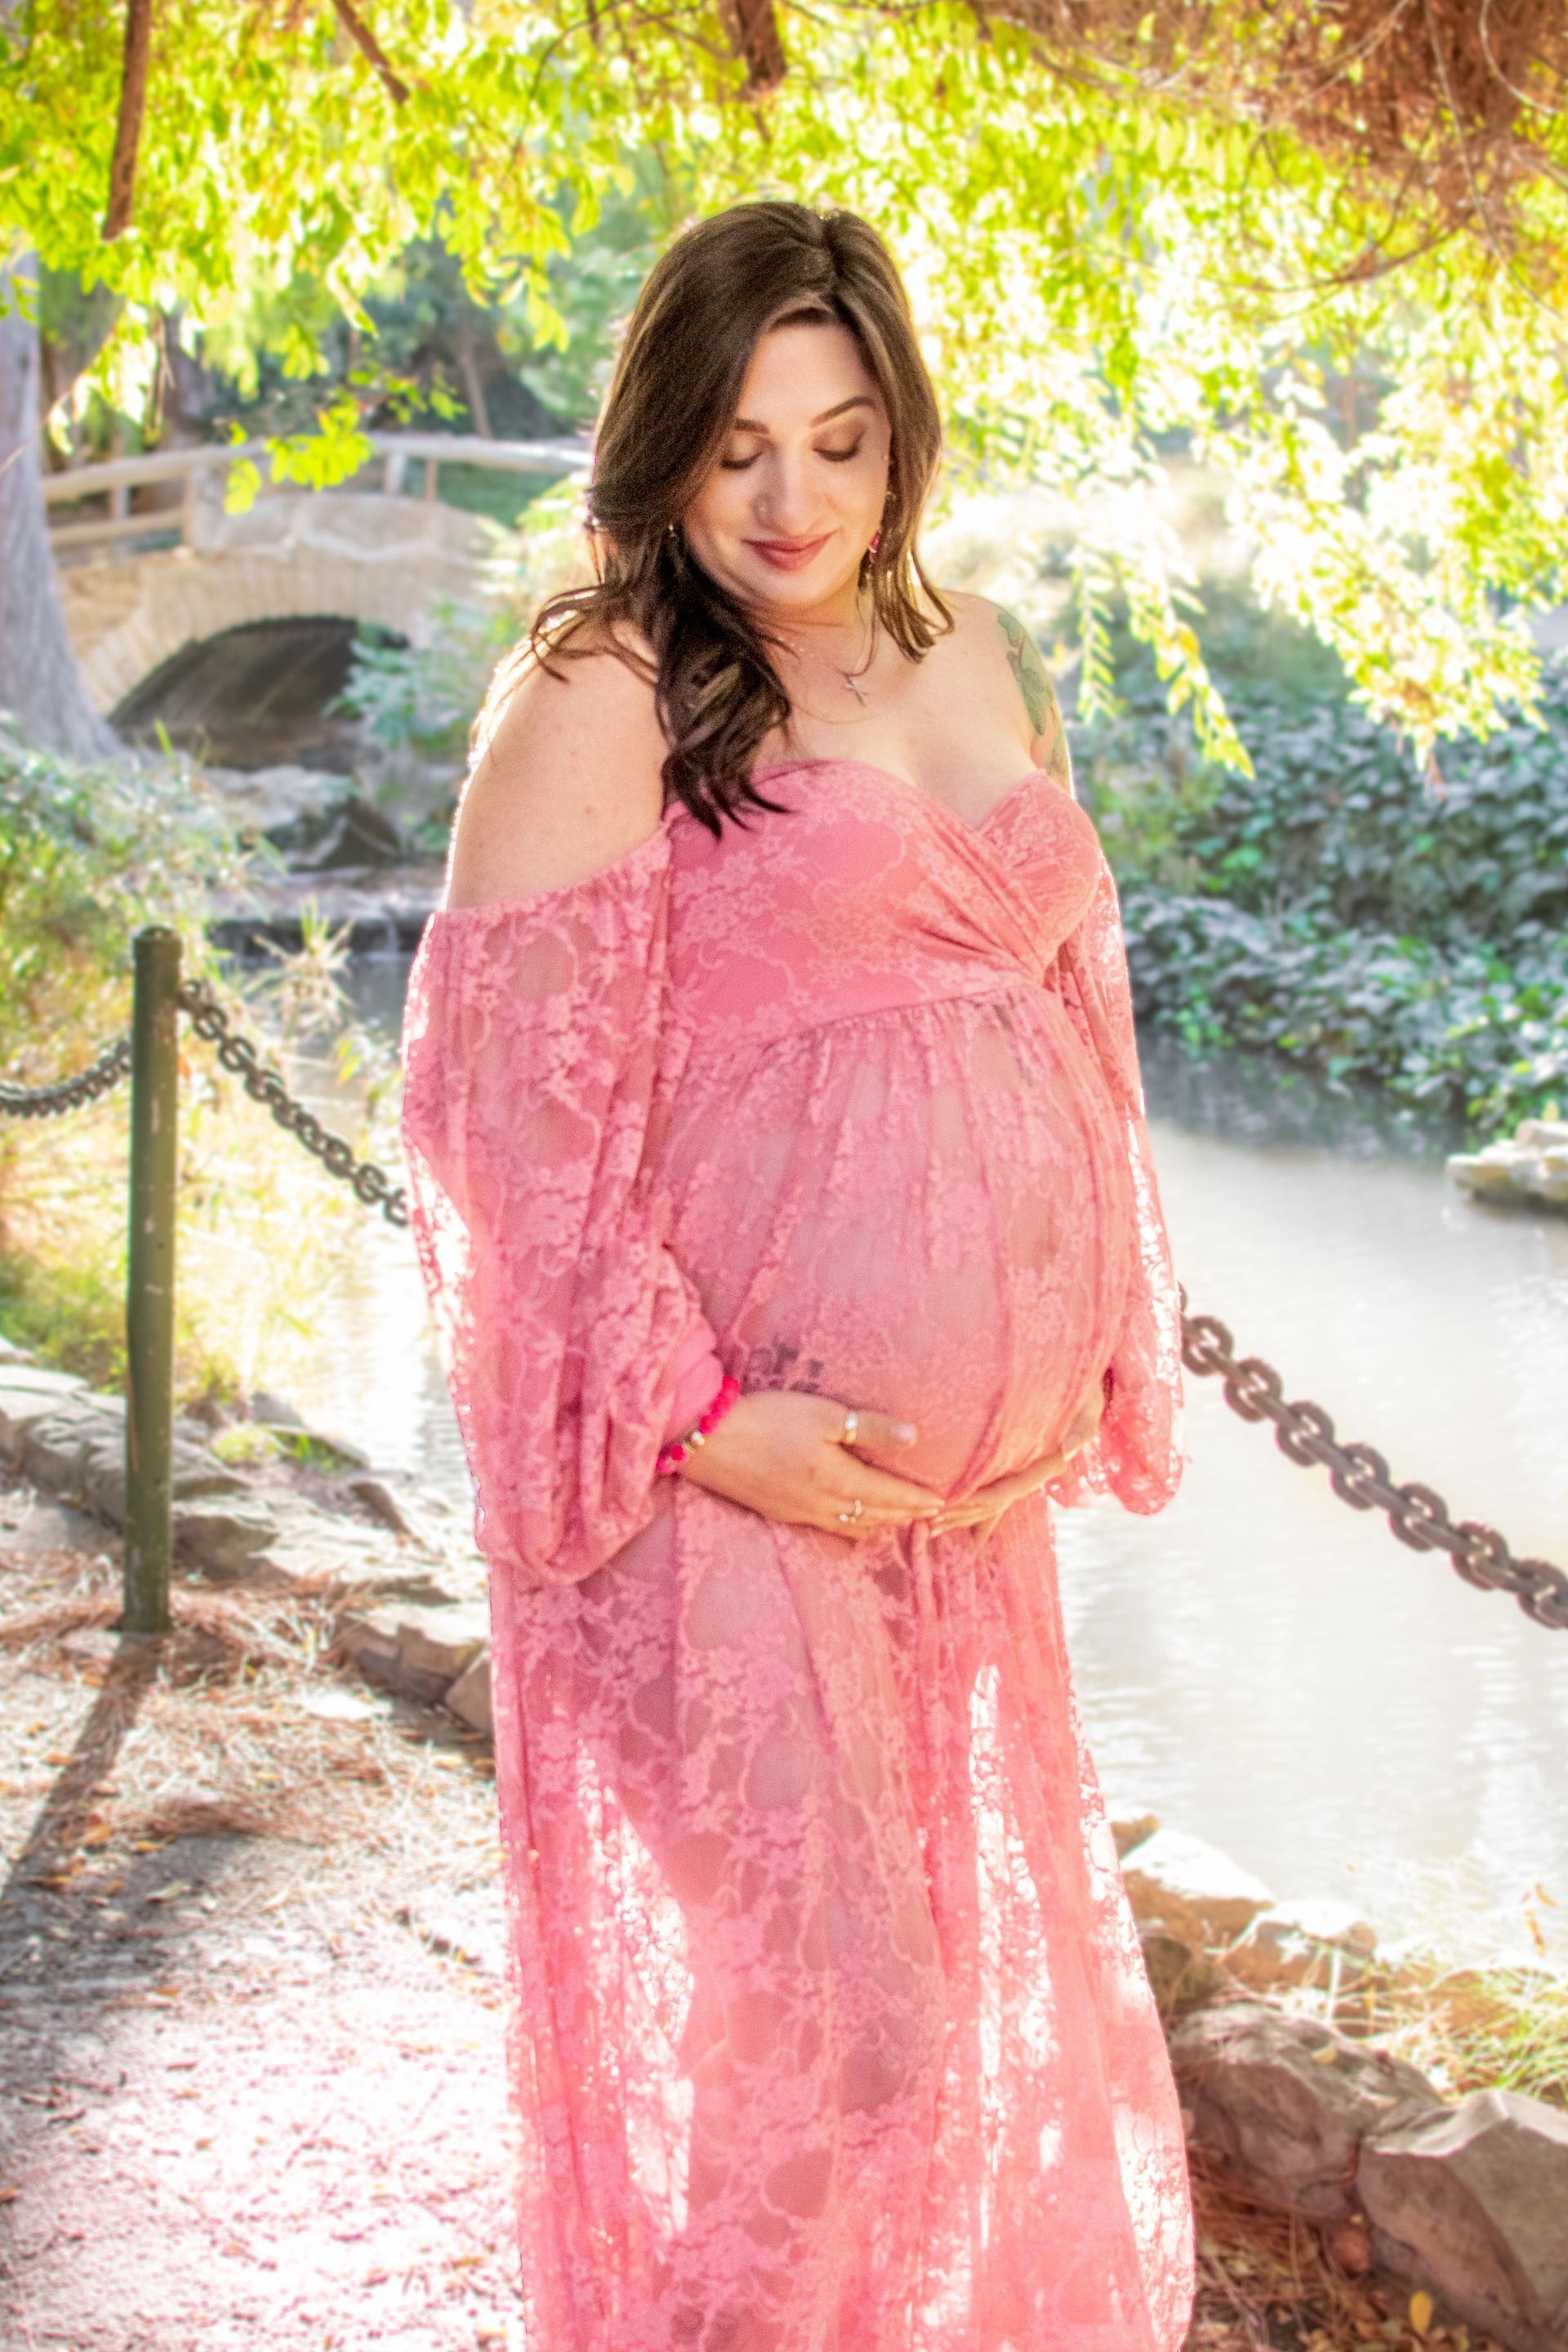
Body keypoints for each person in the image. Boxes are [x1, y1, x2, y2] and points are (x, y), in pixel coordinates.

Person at [402, 199, 1193, 2352]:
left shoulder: (970, 648)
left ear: (901, 442)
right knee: (852, 2054)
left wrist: (1107, 1312)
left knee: (894, 2062)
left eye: (841, 443)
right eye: (742, 443)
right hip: (718, 1491)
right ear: (663, 439)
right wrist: (696, 1418)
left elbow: (1070, 1012)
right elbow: (510, 1135)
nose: (791, 500)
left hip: (956, 1522)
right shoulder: (603, 686)